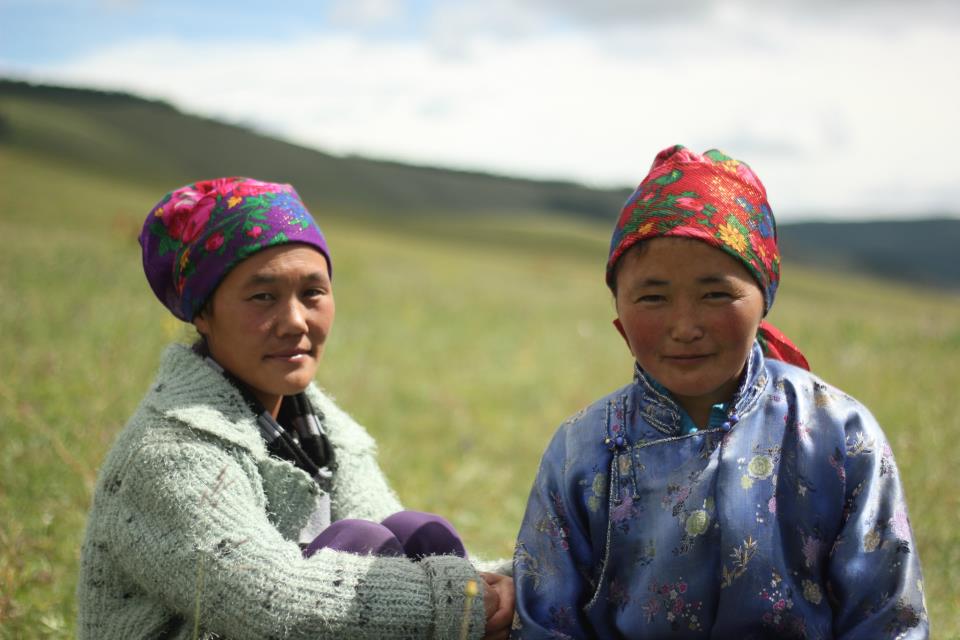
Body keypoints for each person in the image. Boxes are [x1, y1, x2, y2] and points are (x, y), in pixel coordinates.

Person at [512, 145, 928, 638]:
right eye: (652, 297)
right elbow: (545, 619)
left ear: (763, 296)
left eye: (716, 294)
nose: (685, 326)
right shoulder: (581, 451)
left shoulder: (838, 434)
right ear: (618, 307)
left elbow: (886, 617)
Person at [77, 177, 514, 640]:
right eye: (263, 296)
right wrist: (464, 600)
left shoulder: (322, 431)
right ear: (203, 314)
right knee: (362, 548)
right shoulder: (168, 452)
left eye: (312, 293)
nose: (294, 321)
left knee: (418, 534)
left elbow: (402, 552)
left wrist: (506, 588)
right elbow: (270, 600)